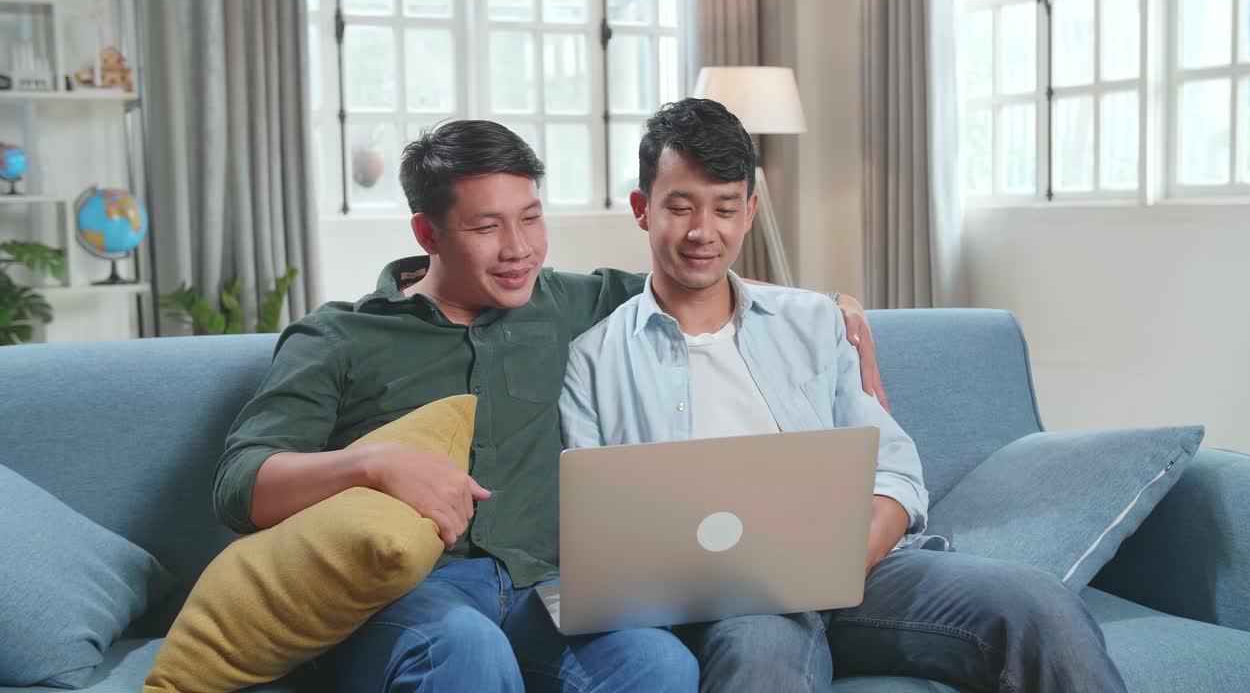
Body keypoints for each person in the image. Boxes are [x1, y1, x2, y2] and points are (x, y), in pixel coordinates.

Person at [215, 118, 883, 692]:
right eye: (487, 227)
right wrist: (373, 465)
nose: (519, 249)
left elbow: (692, 277)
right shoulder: (338, 337)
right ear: (428, 231)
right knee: (464, 651)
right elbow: (241, 484)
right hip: (405, 599)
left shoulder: (562, 303)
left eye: (531, 219)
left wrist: (829, 310)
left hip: (546, 591)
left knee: (659, 665)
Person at [557, 98, 1128, 693]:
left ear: (750, 211)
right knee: (761, 663)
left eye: (725, 208)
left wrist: (838, 561)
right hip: (733, 607)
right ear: (642, 210)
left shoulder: (813, 323)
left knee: (1036, 601)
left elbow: (897, 472)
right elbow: (600, 541)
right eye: (680, 208)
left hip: (864, 572)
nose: (705, 231)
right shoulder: (595, 359)